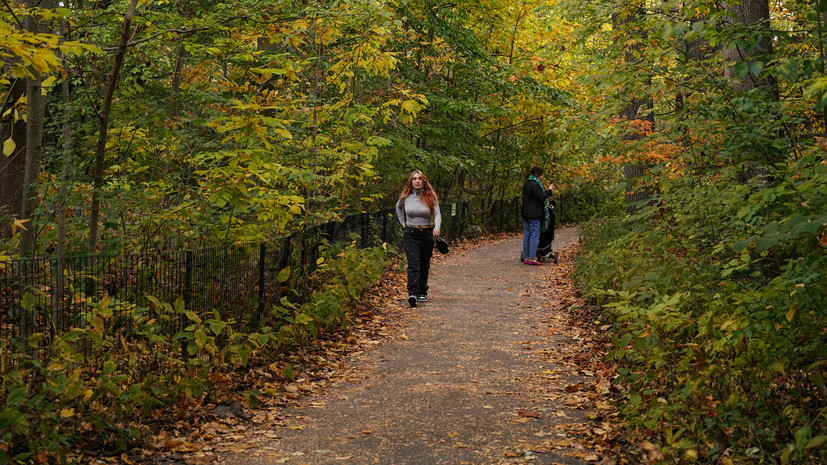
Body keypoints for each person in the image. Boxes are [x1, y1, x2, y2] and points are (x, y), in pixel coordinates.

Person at [396, 169, 441, 307]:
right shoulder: (405, 196)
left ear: (424, 181)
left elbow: (437, 214)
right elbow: (398, 207)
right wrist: (403, 222)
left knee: (424, 264)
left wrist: (437, 227)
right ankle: (413, 294)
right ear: (411, 181)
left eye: (419, 178)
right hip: (410, 234)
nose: (417, 181)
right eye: (414, 179)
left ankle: (422, 291)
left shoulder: (430, 196)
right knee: (413, 264)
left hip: (427, 233)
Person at [521, 166, 553, 265]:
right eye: (541, 175)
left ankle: (526, 257)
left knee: (527, 235)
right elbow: (541, 197)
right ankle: (532, 258)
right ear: (536, 175)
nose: (542, 177)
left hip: (525, 213)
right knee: (534, 236)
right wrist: (549, 191)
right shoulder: (534, 184)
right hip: (534, 214)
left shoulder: (527, 182)